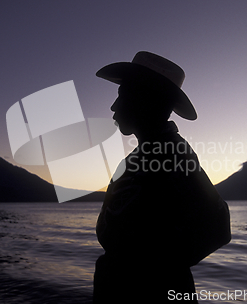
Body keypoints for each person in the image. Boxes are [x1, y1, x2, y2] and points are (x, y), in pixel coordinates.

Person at [93, 51, 231, 303]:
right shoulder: (138, 158)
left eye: (122, 95)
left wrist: (152, 274)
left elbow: (218, 227)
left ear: (144, 98)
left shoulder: (173, 154)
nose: (114, 106)